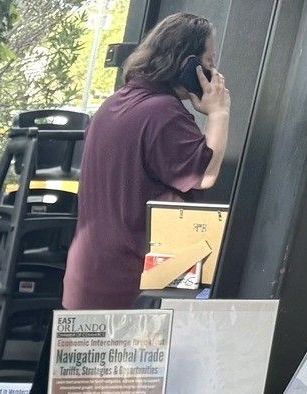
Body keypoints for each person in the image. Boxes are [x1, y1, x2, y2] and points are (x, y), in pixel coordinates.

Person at [64, 12, 230, 310]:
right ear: (188, 64)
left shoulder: (113, 104)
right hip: (132, 287)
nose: (213, 70)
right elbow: (205, 175)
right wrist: (219, 114)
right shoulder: (162, 113)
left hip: (89, 276)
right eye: (209, 60)